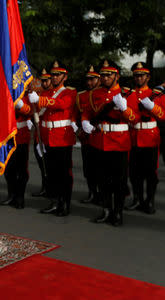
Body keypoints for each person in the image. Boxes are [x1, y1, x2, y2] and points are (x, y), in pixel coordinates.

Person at [81, 60, 139, 226]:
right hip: (99, 142)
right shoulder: (95, 94)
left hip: (119, 142)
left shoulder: (128, 94)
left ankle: (118, 212)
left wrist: (125, 109)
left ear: (117, 76)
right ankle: (106, 210)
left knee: (119, 181)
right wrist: (85, 121)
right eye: (103, 75)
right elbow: (87, 112)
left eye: (109, 75)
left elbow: (135, 119)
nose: (105, 78)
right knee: (102, 179)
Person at [29, 61, 77, 216]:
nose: (55, 78)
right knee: (51, 172)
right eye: (53, 75)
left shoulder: (69, 92)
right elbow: (40, 115)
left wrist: (39, 101)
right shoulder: (45, 93)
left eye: (58, 75)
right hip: (47, 139)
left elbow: (61, 104)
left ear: (65, 76)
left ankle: (65, 203)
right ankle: (55, 201)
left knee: (64, 173)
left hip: (62, 139)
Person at [125, 62, 165, 214]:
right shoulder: (129, 95)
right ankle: (137, 199)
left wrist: (153, 107)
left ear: (148, 77)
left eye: (141, 75)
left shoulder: (157, 94)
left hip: (150, 138)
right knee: (134, 172)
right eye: (136, 75)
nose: (138, 78)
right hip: (134, 137)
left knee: (150, 172)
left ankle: (149, 200)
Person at [0, 86, 33, 209]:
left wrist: (20, 105)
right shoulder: (5, 96)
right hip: (7, 138)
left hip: (21, 137)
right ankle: (11, 195)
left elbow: (30, 111)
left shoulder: (26, 97)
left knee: (21, 170)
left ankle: (20, 197)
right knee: (8, 169)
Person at [76, 65, 101, 204]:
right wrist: (78, 126)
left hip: (100, 135)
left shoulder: (103, 93)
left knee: (101, 168)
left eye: (93, 79)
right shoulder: (81, 95)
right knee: (88, 168)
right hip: (87, 137)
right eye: (88, 80)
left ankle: (101, 194)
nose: (89, 82)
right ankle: (92, 192)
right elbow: (77, 115)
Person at [32, 68, 51, 197]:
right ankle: (45, 186)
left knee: (49, 165)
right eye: (42, 81)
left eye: (46, 81)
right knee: (41, 164)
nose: (44, 83)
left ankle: (50, 188)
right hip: (38, 135)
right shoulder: (38, 95)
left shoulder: (53, 95)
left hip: (48, 134)